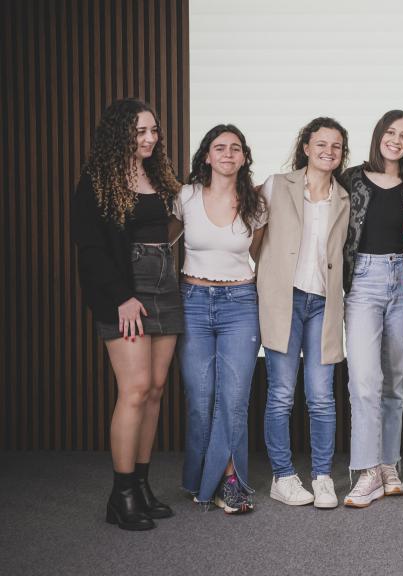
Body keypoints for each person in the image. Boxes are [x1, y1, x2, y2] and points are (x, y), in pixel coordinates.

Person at [71, 97, 183, 531]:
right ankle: (120, 495)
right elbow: (91, 247)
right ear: (121, 133)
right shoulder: (97, 179)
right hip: (125, 290)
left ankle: (141, 484)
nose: (151, 138)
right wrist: (121, 296)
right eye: (141, 131)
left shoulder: (159, 174)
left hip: (165, 284)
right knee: (134, 389)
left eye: (154, 130)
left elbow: (169, 227)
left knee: (155, 389)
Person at [171, 124, 266, 514]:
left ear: (244, 158)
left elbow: (259, 256)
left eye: (236, 148)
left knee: (233, 399)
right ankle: (199, 480)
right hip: (192, 301)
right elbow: (163, 245)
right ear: (207, 156)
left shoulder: (255, 205)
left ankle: (231, 481)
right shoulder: (186, 196)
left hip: (240, 303)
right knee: (200, 398)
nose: (228, 153)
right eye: (220, 147)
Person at [257, 117, 350, 509]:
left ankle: (323, 477)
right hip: (285, 299)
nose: (329, 151)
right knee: (280, 394)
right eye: (321, 144)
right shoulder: (276, 186)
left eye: (337, 146)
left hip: (323, 304)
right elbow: (253, 238)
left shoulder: (344, 198)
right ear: (306, 147)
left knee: (321, 397)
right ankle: (282, 476)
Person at [338, 110, 403, 508]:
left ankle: (390, 464)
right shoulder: (350, 178)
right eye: (390, 132)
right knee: (365, 381)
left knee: (395, 383)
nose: (396, 140)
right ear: (378, 135)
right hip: (364, 282)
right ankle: (366, 470)